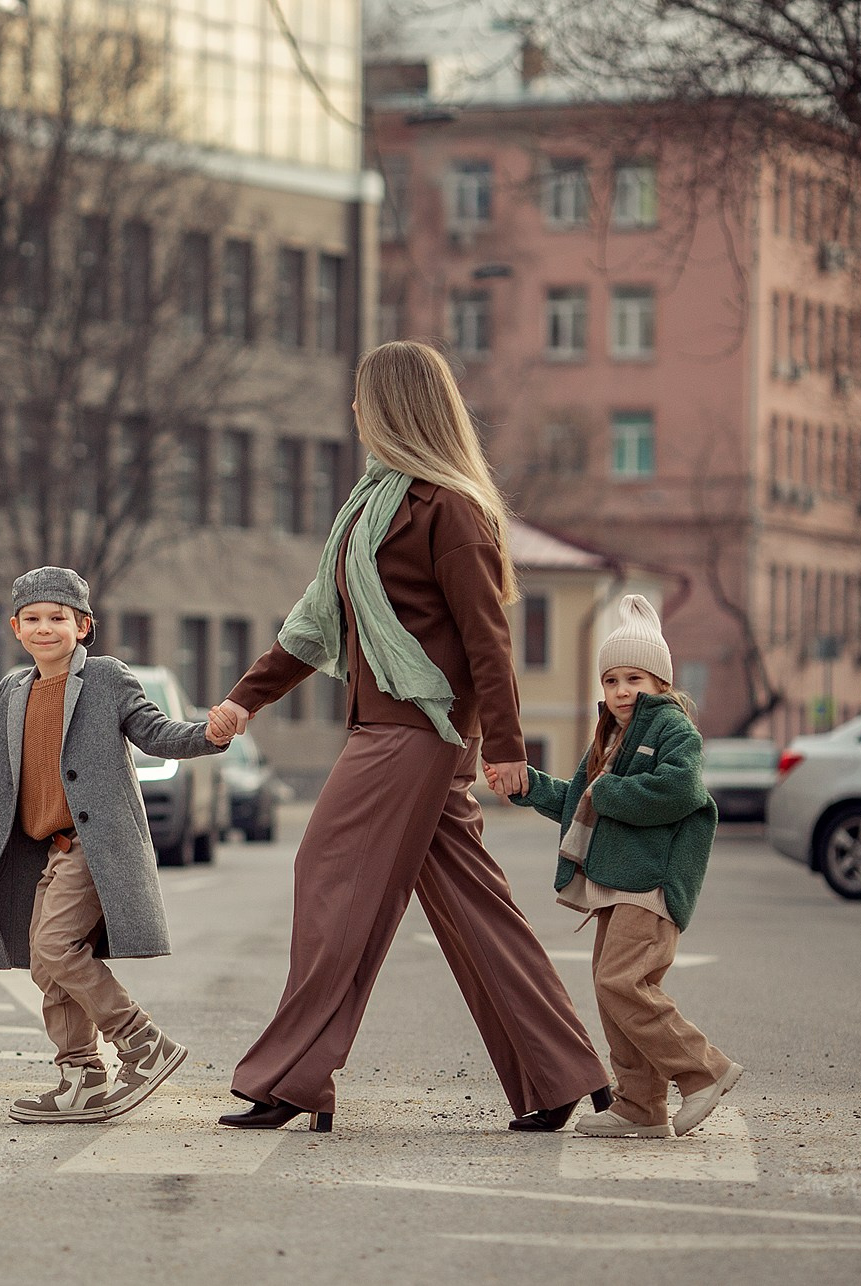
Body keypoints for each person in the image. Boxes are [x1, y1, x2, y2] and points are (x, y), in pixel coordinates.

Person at [205, 340, 610, 1134]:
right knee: (472, 905)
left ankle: (293, 1075)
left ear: (393, 407)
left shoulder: (448, 508)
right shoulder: (369, 506)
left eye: (363, 398)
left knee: (330, 877)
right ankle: (557, 1073)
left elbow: (487, 638)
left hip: (412, 733)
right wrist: (244, 701)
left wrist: (505, 746)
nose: (353, 411)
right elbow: (315, 624)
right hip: (391, 729)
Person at [0, 567, 222, 1123]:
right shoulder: (14, 689)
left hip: (92, 845)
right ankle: (80, 1075)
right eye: (32, 619)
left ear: (83, 626)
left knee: (58, 947)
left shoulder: (107, 679)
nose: (45, 629)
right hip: (50, 849)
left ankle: (141, 1041)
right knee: (45, 959)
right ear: (15, 628)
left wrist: (210, 731)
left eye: (57, 618)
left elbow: (157, 733)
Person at [499, 595, 743, 1138]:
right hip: (614, 884)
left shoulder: (673, 731)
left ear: (660, 683)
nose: (621, 691)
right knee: (612, 992)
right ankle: (640, 1103)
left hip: (652, 885)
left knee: (622, 981)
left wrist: (607, 790)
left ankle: (704, 1070)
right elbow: (580, 799)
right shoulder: (607, 741)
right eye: (611, 680)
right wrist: (527, 785)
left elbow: (679, 790)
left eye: (634, 678)